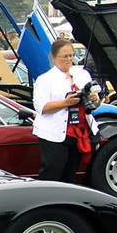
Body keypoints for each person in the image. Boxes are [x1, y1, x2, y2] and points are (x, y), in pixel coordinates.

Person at [30, 39, 93, 183]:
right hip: (53, 133)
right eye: (64, 56)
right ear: (53, 57)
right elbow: (41, 107)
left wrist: (94, 98)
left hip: (78, 131)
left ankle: (66, 202)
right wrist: (65, 103)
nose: (69, 60)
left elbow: (93, 104)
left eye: (71, 55)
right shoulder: (45, 79)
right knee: (53, 169)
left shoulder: (82, 75)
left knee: (71, 172)